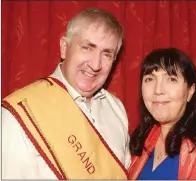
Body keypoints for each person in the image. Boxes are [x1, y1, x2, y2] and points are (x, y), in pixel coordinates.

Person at [2, 7, 131, 179]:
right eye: (87, 48)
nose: (95, 64)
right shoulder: (19, 112)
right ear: (64, 47)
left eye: (107, 54)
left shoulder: (116, 109)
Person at [128, 48, 196, 180]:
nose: (158, 90)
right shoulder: (140, 140)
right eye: (150, 79)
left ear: (190, 91)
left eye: (171, 79)